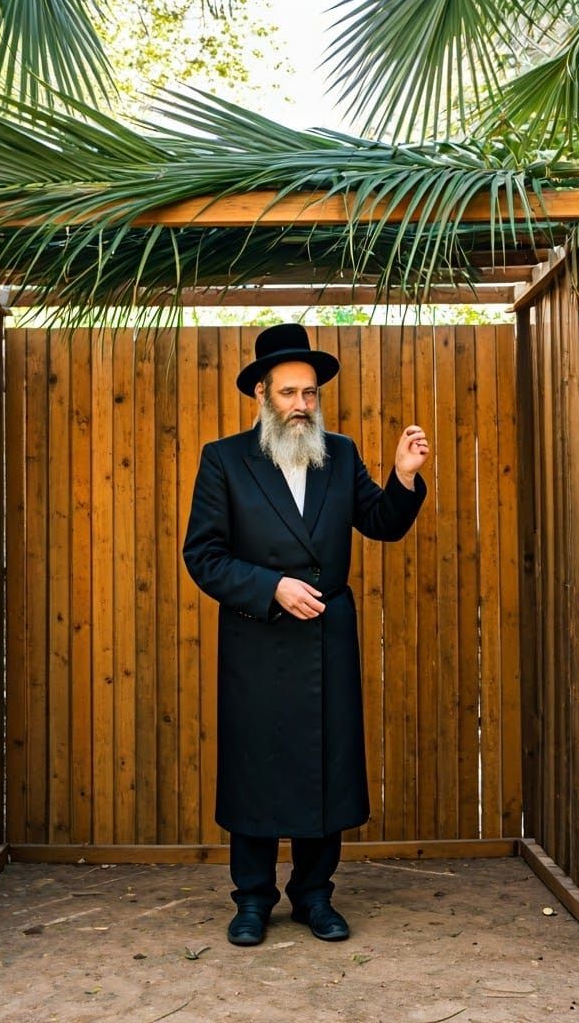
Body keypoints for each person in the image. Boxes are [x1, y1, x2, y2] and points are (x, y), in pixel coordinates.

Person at [182, 322, 429, 947]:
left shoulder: (340, 454)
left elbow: (381, 524)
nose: (301, 404)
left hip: (327, 638)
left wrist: (402, 479)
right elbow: (203, 556)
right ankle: (253, 900)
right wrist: (272, 588)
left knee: (327, 764)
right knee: (254, 767)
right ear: (262, 394)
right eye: (289, 392)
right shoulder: (224, 459)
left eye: (310, 393)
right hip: (256, 640)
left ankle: (316, 896)